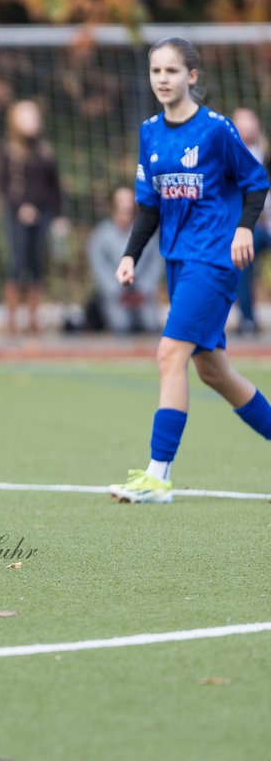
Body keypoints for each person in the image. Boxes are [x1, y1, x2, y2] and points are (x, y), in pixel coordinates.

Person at [110, 37, 271, 504]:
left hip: (215, 261)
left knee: (169, 355)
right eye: (156, 71)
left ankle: (158, 476)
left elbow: (256, 182)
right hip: (179, 262)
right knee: (214, 372)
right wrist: (130, 255)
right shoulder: (149, 133)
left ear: (192, 77)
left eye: (172, 71)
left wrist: (243, 229)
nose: (163, 79)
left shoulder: (217, 130)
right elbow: (147, 207)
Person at [0, 99, 67, 336]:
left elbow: (55, 187)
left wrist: (58, 216)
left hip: (43, 214)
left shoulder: (45, 152)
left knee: (37, 264)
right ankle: (12, 321)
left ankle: (34, 319)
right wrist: (21, 208)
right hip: (17, 216)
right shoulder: (9, 152)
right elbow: (3, 186)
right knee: (17, 263)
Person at [86, 186, 162, 333]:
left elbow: (156, 262)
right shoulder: (101, 235)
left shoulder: (146, 233)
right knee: (121, 325)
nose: (125, 206)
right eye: (121, 202)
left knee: (150, 324)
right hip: (116, 295)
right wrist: (116, 291)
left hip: (142, 294)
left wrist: (144, 289)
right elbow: (99, 266)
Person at [232, 107, 271, 335]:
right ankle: (247, 320)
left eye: (250, 121)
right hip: (247, 226)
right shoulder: (230, 156)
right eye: (241, 122)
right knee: (242, 255)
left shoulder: (266, 154)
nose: (246, 127)